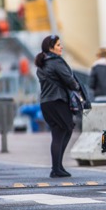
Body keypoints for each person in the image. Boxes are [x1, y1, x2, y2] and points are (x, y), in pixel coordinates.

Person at [34, 35, 80, 178]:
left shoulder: (43, 64)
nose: (61, 47)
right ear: (50, 48)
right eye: (58, 45)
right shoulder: (55, 62)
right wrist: (77, 86)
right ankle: (57, 167)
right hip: (57, 101)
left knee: (58, 133)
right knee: (65, 129)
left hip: (46, 103)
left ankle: (57, 167)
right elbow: (69, 80)